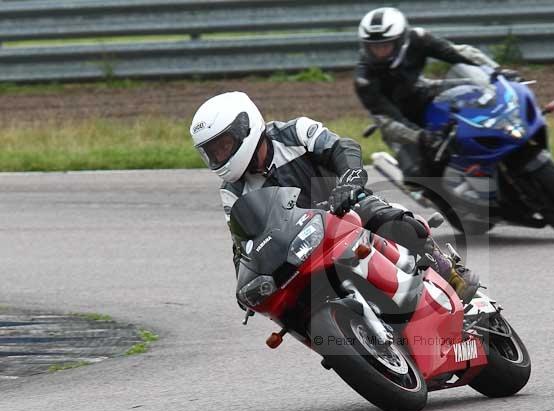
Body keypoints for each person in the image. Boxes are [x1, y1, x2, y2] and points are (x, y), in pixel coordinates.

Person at [189, 91, 479, 302]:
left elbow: (343, 148)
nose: (219, 155)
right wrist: (245, 280)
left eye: (224, 145)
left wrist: (349, 183)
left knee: (387, 219)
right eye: (213, 151)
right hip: (299, 248)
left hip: (344, 211)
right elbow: (242, 243)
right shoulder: (231, 191)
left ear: (246, 128)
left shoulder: (295, 133)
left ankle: (446, 269)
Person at [354, 7, 518, 182]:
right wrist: (420, 136)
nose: (379, 52)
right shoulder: (364, 79)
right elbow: (387, 120)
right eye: (373, 47)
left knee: (474, 100)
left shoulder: (419, 39)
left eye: (385, 46)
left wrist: (496, 71)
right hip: (398, 120)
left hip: (423, 94)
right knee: (418, 175)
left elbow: (459, 53)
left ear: (401, 40)